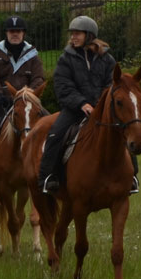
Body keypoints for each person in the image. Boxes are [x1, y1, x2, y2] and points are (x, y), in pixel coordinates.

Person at [36, 15, 119, 195]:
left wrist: (100, 105)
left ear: (89, 35)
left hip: (102, 109)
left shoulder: (108, 59)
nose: (73, 37)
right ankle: (48, 177)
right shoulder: (66, 59)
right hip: (75, 109)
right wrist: (82, 104)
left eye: (77, 33)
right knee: (55, 134)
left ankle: (131, 177)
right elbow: (63, 86)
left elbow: (112, 84)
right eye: (72, 34)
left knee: (123, 131)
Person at [0, 15, 47, 184]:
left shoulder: (33, 56)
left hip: (27, 104)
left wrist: (30, 95)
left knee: (51, 126)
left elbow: (39, 78)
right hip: (1, 103)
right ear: (6, 33)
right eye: (11, 31)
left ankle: (47, 169)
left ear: (23, 33)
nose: (15, 34)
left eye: (18, 31)